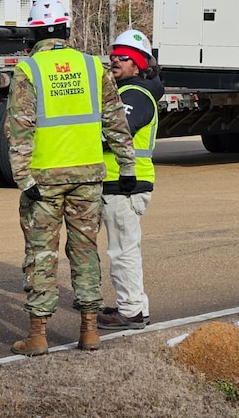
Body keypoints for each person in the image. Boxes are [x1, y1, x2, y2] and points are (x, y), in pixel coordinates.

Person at [6, 0, 136, 356]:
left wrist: (23, 180)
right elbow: (115, 121)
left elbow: (19, 130)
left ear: (34, 34)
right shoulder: (94, 67)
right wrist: (127, 167)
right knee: (85, 251)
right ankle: (89, 331)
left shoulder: (28, 71)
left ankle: (38, 336)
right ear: (66, 32)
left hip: (44, 181)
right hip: (88, 176)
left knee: (41, 255)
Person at [97, 29, 164, 331]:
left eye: (123, 57)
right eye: (113, 55)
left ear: (138, 64)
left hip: (125, 183)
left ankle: (131, 311)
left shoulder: (135, 94)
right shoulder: (125, 91)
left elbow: (116, 133)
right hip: (119, 181)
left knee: (122, 250)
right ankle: (135, 305)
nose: (115, 60)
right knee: (125, 248)